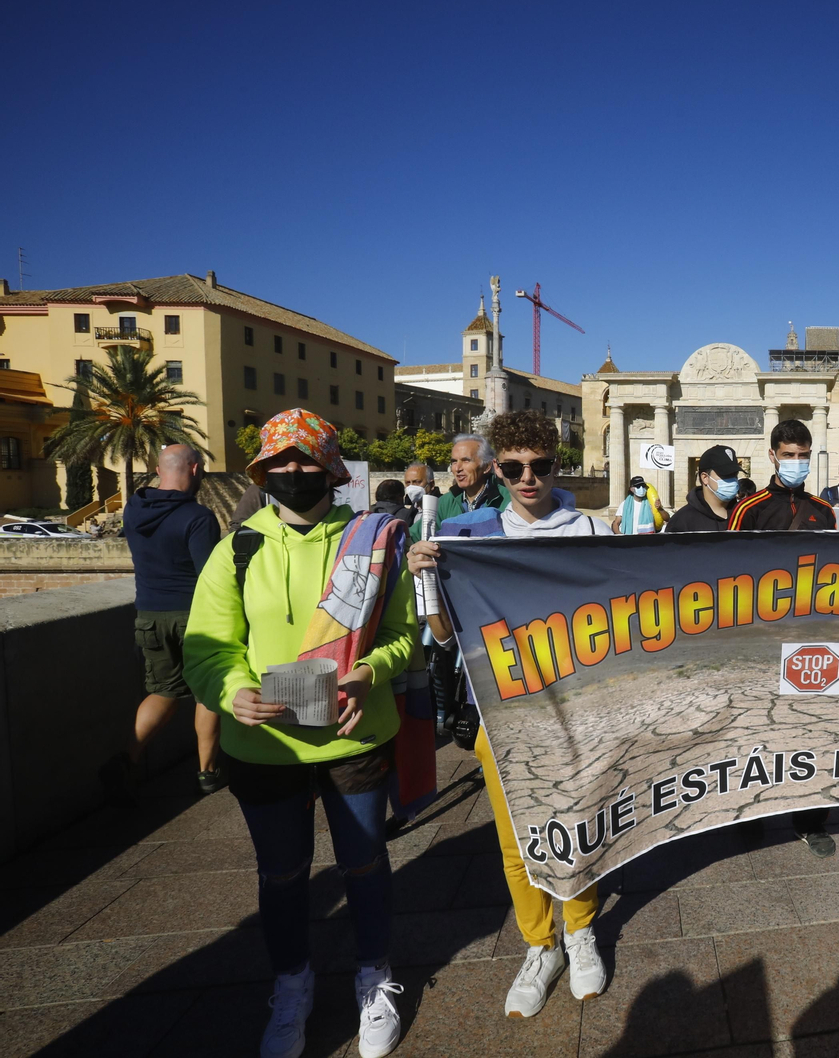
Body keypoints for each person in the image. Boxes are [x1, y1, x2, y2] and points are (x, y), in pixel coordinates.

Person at [184, 408, 416, 1058]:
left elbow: (404, 635)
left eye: (305, 458)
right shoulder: (237, 549)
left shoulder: (374, 543)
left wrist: (370, 672)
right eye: (279, 460)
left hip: (353, 733)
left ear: (331, 468)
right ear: (262, 471)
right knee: (282, 874)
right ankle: (292, 985)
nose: (293, 470)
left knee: (364, 863)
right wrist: (233, 692)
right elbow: (208, 646)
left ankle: (375, 977)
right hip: (265, 745)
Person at [405, 411, 609, 1019]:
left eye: (539, 466)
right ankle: (539, 943)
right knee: (515, 837)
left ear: (556, 466)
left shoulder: (590, 531)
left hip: (576, 708)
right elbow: (445, 635)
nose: (528, 478)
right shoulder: (464, 534)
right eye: (515, 468)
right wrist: (425, 580)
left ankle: (581, 930)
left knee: (580, 824)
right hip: (499, 709)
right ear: (497, 469)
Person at [728, 419, 838, 854]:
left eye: (803, 455)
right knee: (755, 727)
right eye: (789, 455)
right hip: (761, 637)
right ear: (772, 456)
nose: (796, 462)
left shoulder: (823, 510)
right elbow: (728, 574)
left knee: (815, 730)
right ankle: (751, 813)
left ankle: (811, 820)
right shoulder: (749, 509)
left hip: (813, 637)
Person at [102, 443, 224, 801]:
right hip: (194, 616)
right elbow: (210, 576)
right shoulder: (198, 517)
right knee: (208, 692)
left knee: (163, 690)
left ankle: (128, 759)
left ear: (158, 470)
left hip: (149, 615)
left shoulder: (133, 509)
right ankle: (207, 772)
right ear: (196, 469)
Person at [410, 434, 508, 540]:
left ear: (487, 466)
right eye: (454, 462)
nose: (457, 468)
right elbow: (413, 537)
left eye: (466, 460)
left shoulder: (507, 499)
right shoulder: (445, 503)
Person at [666, 445, 742, 532]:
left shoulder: (744, 515)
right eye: (725, 475)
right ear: (705, 478)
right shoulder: (682, 522)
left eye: (734, 475)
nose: (732, 480)